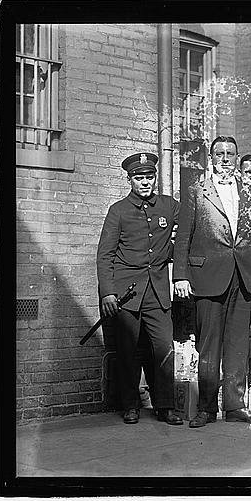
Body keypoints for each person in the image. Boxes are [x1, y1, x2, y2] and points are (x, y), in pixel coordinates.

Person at [172, 136, 251, 427]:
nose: (225, 159)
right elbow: (183, 239)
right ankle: (205, 408)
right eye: (219, 154)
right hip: (207, 277)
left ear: (236, 156)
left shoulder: (250, 193)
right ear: (212, 159)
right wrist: (180, 275)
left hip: (243, 277)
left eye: (230, 153)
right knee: (209, 346)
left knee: (237, 344)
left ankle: (234, 405)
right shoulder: (195, 191)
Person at [97, 152, 182, 426]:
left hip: (157, 292)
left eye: (149, 177)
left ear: (155, 178)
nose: (145, 182)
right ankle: (130, 405)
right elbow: (105, 255)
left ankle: (166, 406)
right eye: (139, 178)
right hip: (126, 295)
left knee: (164, 349)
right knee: (127, 351)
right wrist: (108, 292)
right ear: (130, 180)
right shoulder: (118, 211)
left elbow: (189, 226)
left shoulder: (169, 206)